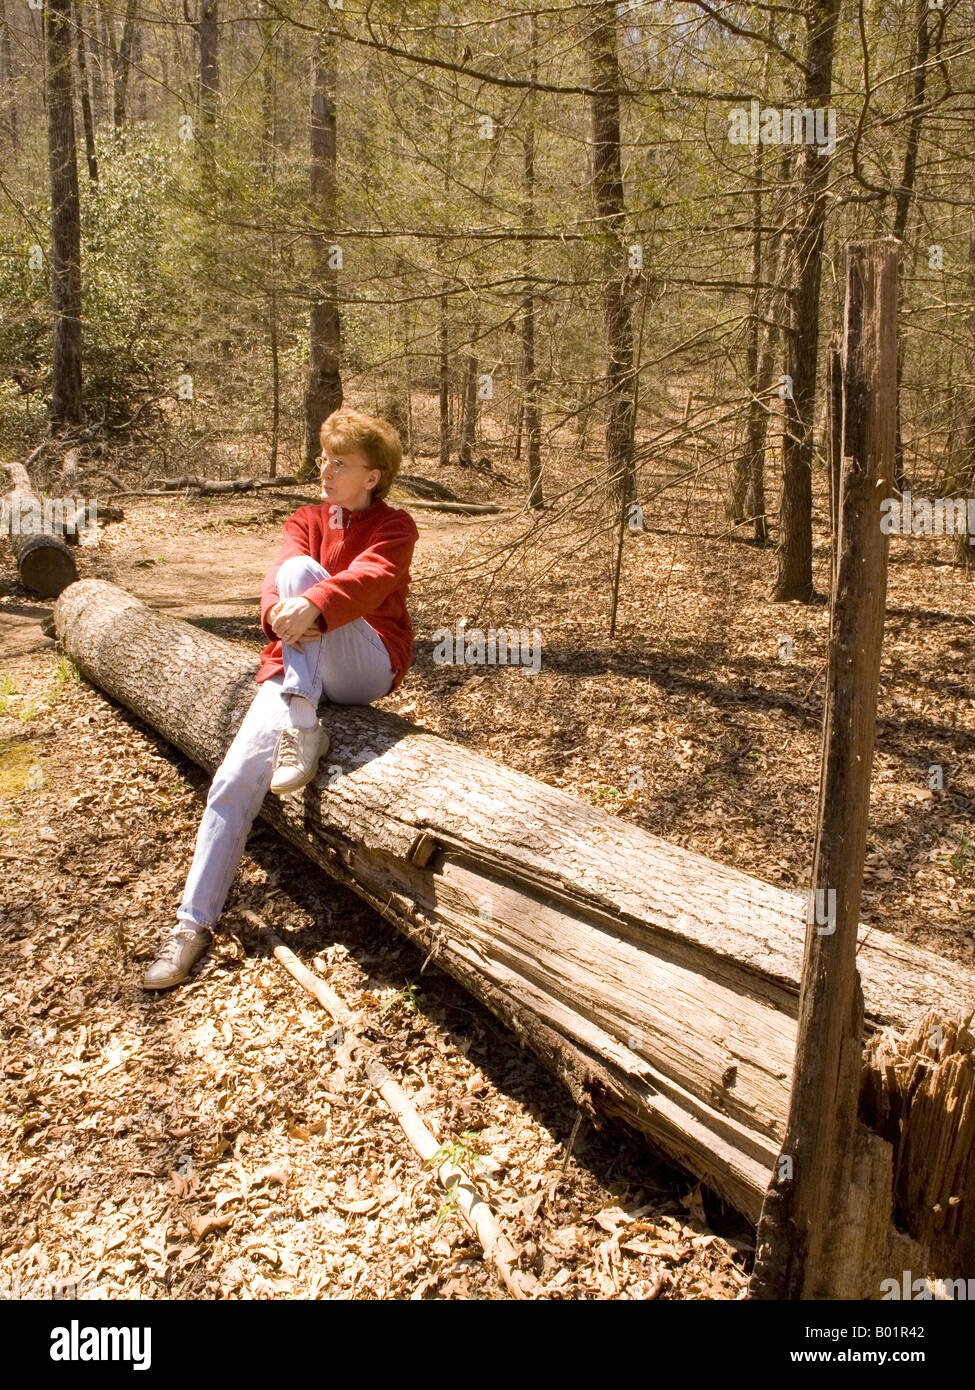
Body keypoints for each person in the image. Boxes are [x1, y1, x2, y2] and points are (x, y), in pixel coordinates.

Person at [143, 407, 419, 990]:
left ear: (372, 476)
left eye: (339, 463)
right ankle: (191, 925)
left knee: (302, 578)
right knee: (233, 780)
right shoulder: (307, 518)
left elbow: (370, 578)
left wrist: (313, 604)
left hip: (365, 664)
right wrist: (279, 612)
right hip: (297, 669)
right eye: (324, 457)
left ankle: (304, 725)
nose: (325, 469)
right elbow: (273, 583)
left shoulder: (396, 527)